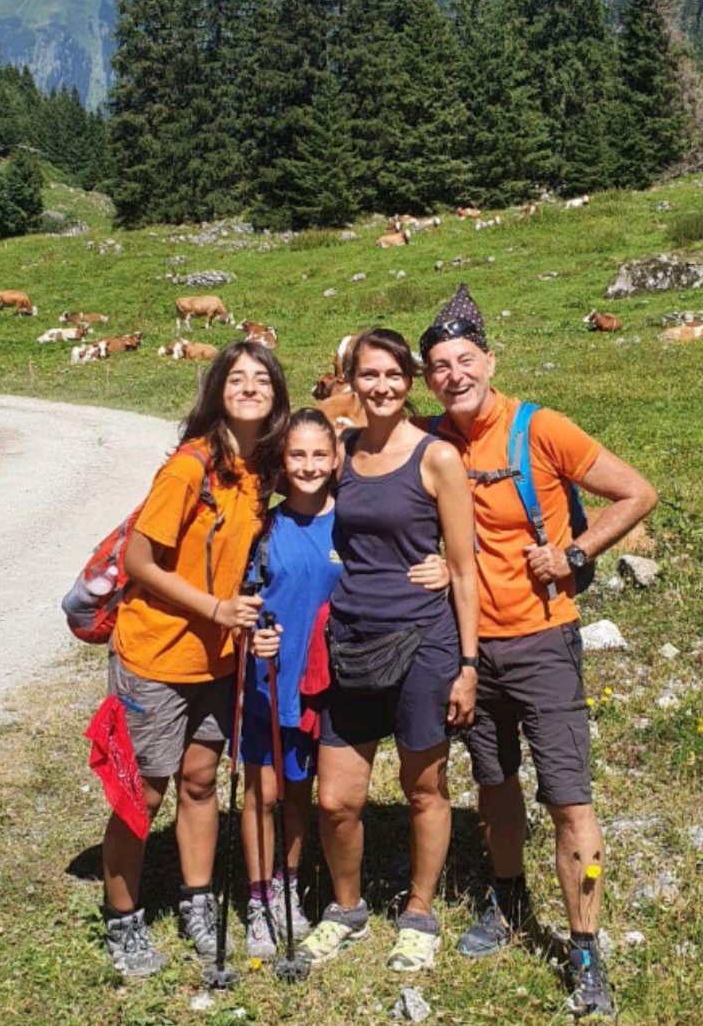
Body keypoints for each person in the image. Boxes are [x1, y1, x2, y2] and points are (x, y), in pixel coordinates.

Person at [417, 284, 658, 1019]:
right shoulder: (432, 440)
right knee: (494, 786)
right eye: (439, 366)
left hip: (542, 641)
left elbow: (637, 492)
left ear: (490, 361)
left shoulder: (540, 427)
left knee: (569, 800)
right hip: (469, 649)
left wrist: (575, 552)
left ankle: (585, 953)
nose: (453, 374)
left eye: (464, 360)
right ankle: (508, 897)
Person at [101, 341, 288, 977]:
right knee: (144, 791)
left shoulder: (262, 472)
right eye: (236, 377)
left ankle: (197, 900)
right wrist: (214, 610)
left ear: (276, 397)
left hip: (218, 662)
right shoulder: (190, 468)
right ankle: (122, 918)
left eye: (261, 379)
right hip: (155, 654)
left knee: (201, 781)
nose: (249, 387)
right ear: (217, 390)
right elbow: (138, 561)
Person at [239, 407, 451, 959]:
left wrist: (448, 567)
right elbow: (242, 598)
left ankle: (292, 880)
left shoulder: (352, 516)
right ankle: (264, 896)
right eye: (296, 455)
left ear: (337, 460)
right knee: (270, 793)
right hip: (273, 678)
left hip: (334, 675)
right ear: (281, 463)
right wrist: (247, 638)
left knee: (305, 791)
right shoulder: (262, 526)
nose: (308, 466)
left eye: (318, 454)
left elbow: (401, 550)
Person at [298, 328, 479, 973]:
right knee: (336, 799)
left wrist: (467, 664)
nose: (380, 387)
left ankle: (420, 910)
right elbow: (293, 492)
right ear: (351, 380)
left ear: (410, 383)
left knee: (424, 787)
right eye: (368, 376)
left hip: (424, 642)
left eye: (393, 376)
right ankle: (346, 908)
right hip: (349, 638)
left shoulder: (437, 459)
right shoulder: (340, 452)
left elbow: (462, 567)